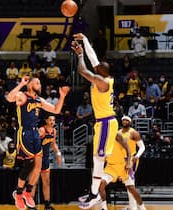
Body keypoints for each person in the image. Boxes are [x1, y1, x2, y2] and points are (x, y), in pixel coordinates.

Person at [6, 75, 69, 210]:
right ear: (30, 85)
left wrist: (62, 96)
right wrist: (21, 84)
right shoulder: (22, 96)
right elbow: (9, 98)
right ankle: (18, 194)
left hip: (35, 133)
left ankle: (28, 192)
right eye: (37, 82)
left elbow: (56, 110)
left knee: (38, 165)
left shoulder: (39, 100)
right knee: (28, 164)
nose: (39, 84)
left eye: (40, 83)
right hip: (25, 132)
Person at [72, 33, 119, 206]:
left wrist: (80, 55)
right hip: (103, 122)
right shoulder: (104, 77)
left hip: (106, 122)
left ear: (101, 72)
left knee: (99, 160)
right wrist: (84, 40)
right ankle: (94, 193)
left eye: (97, 67)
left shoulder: (101, 81)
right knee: (96, 159)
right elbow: (94, 61)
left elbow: (82, 70)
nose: (95, 66)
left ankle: (95, 194)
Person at [79, 130, 146, 210]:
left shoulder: (117, 135)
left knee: (131, 188)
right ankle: (104, 207)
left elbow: (128, 149)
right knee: (101, 184)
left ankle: (142, 208)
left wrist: (128, 162)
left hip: (122, 165)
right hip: (111, 167)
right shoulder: (99, 141)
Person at [32, 115, 62, 210]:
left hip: (45, 159)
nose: (52, 121)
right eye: (50, 120)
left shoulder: (54, 131)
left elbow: (53, 144)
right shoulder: (41, 130)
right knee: (33, 182)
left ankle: (47, 204)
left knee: (46, 182)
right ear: (46, 121)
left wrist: (58, 154)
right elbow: (33, 143)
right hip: (37, 159)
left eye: (53, 120)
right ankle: (31, 205)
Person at [119, 116, 145, 210]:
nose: (125, 121)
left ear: (130, 122)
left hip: (131, 160)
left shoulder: (134, 132)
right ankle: (132, 206)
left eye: (127, 120)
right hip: (121, 160)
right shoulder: (118, 133)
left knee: (130, 183)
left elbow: (142, 147)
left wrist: (137, 156)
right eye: (123, 120)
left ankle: (134, 207)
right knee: (128, 184)